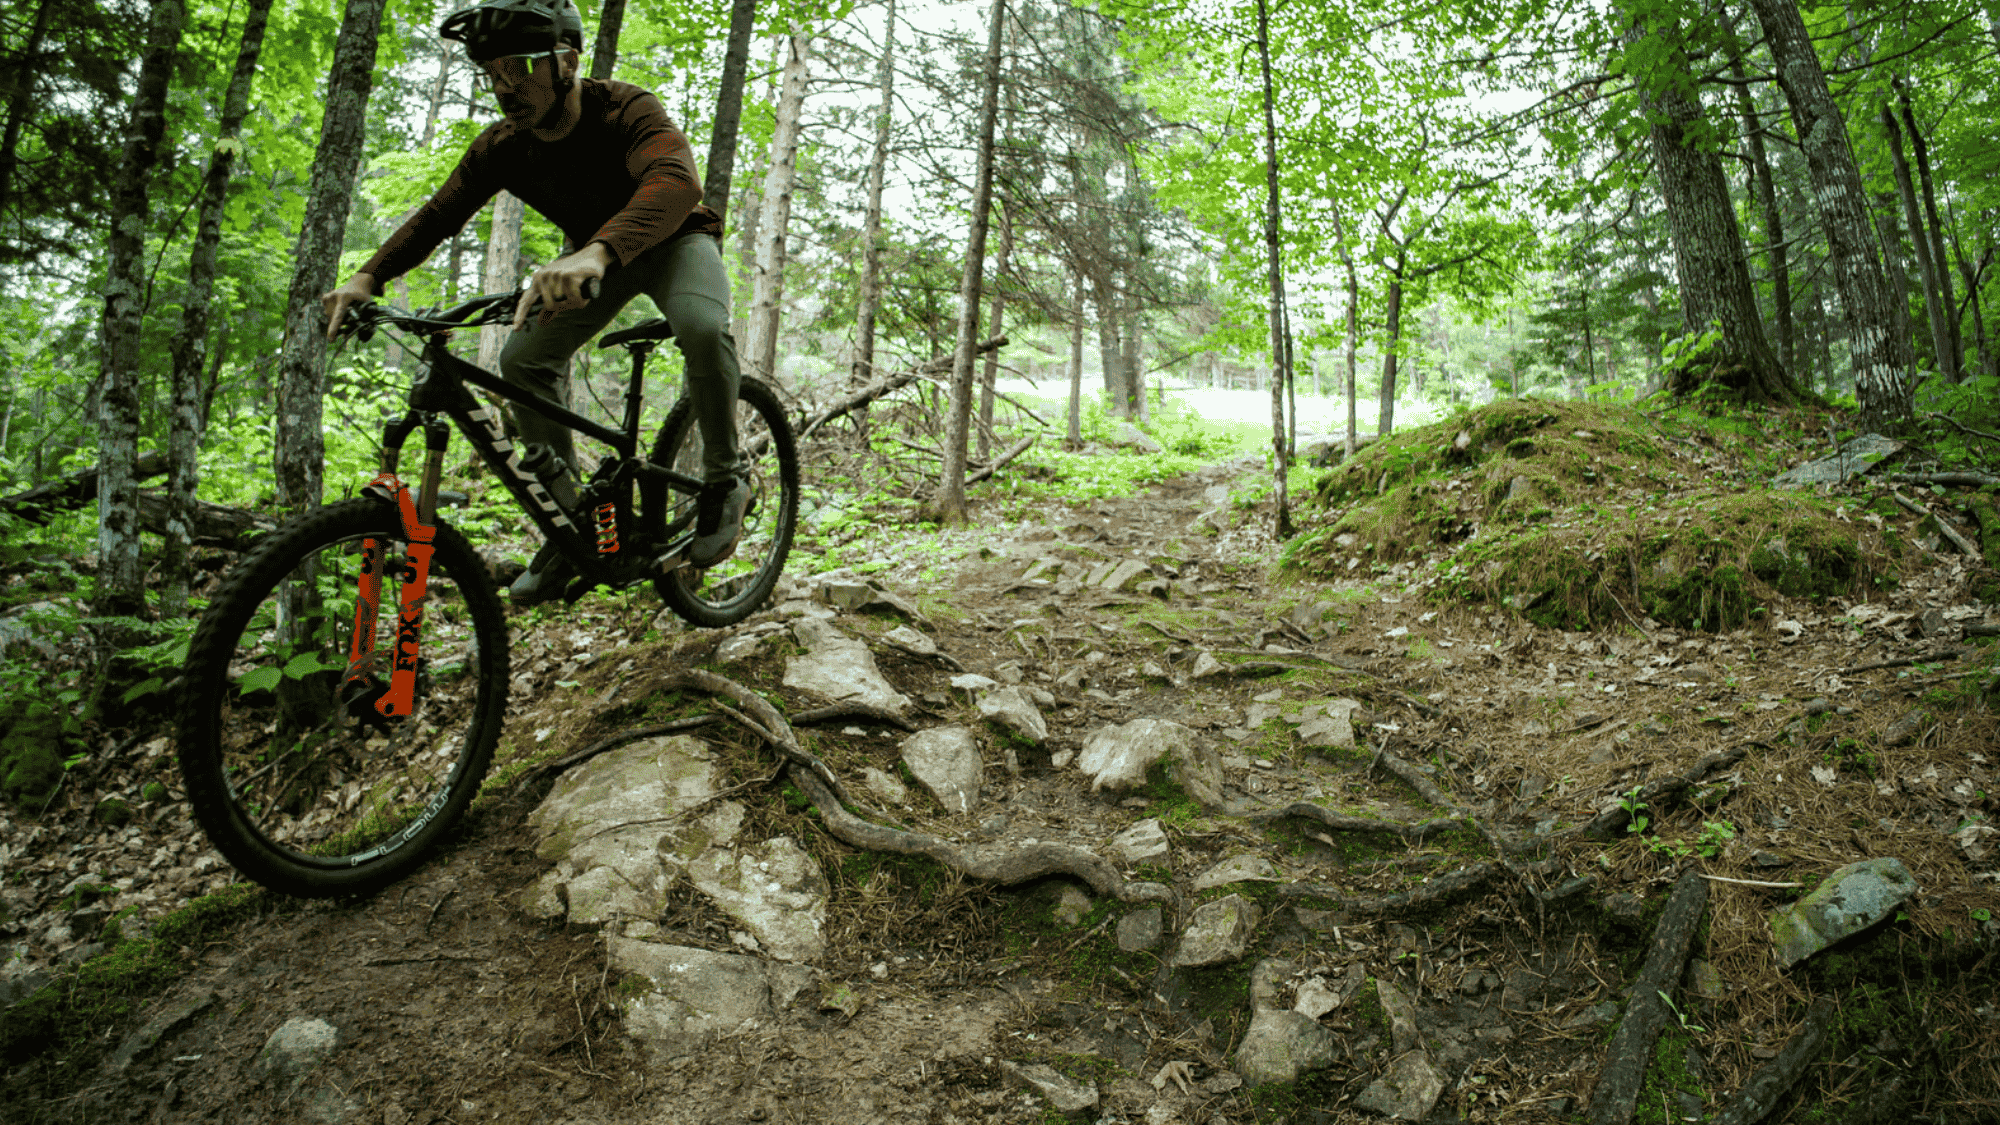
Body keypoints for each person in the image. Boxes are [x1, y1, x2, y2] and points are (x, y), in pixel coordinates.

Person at [321, 0, 749, 605]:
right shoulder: (503, 145)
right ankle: (573, 524)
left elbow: (676, 181)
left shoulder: (625, 107)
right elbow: (439, 214)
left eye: (520, 68)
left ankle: (726, 480)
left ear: (567, 60)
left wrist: (597, 252)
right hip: (591, 259)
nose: (506, 88)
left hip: (673, 240)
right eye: (492, 74)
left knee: (703, 328)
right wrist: (369, 276)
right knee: (521, 362)